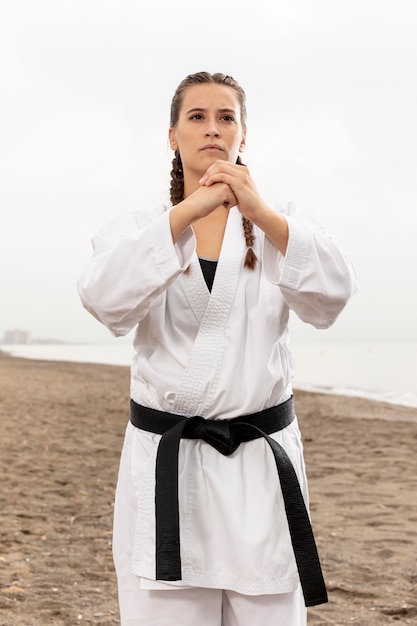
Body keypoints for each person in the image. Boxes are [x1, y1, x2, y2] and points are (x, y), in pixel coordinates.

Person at [77, 71, 357, 626]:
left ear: (243, 136)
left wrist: (259, 212)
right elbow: (105, 301)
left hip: (257, 471)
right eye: (197, 117)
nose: (212, 129)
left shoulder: (283, 225)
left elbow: (333, 298)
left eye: (226, 117)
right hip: (168, 472)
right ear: (172, 135)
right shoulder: (140, 230)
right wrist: (190, 211)